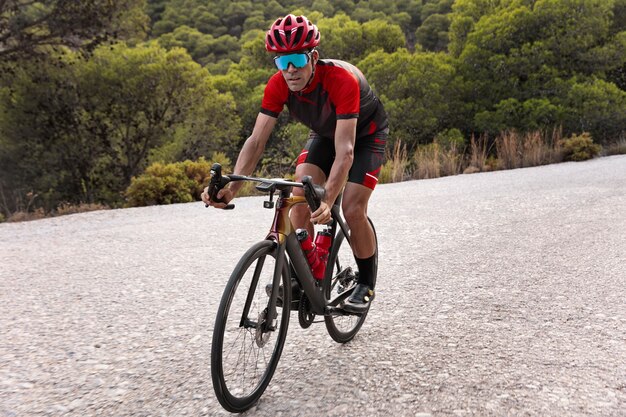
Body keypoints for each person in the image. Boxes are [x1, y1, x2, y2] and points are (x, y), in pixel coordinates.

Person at [202, 14, 389, 312]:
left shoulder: (341, 80)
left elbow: (346, 151)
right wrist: (233, 186)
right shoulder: (278, 85)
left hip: (364, 135)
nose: (290, 70)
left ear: (313, 58)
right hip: (325, 133)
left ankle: (365, 283)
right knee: (299, 197)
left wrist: (328, 198)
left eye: (298, 61)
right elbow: (256, 141)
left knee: (353, 208)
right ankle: (306, 278)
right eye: (282, 62)